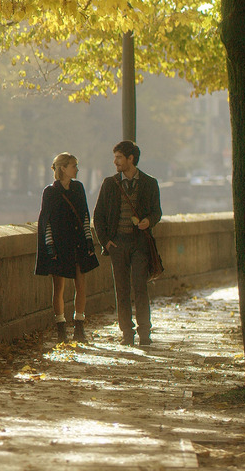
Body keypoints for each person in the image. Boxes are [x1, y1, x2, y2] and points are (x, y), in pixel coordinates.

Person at [93, 140, 162, 346]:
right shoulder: (110, 184)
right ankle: (126, 333)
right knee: (121, 289)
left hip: (140, 243)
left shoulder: (150, 183)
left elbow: (156, 212)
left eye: (119, 158)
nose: (115, 162)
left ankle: (144, 333)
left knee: (140, 287)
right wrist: (106, 242)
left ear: (131, 159)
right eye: (115, 158)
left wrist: (148, 221)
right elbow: (99, 216)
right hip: (118, 244)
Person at [34, 153, 100, 343]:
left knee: (81, 284)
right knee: (59, 287)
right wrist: (49, 246)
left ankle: (79, 326)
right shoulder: (50, 192)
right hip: (59, 244)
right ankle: (61, 329)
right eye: (73, 165)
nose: (76, 169)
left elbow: (84, 216)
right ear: (63, 168)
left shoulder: (78, 188)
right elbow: (45, 221)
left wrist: (88, 240)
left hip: (78, 241)